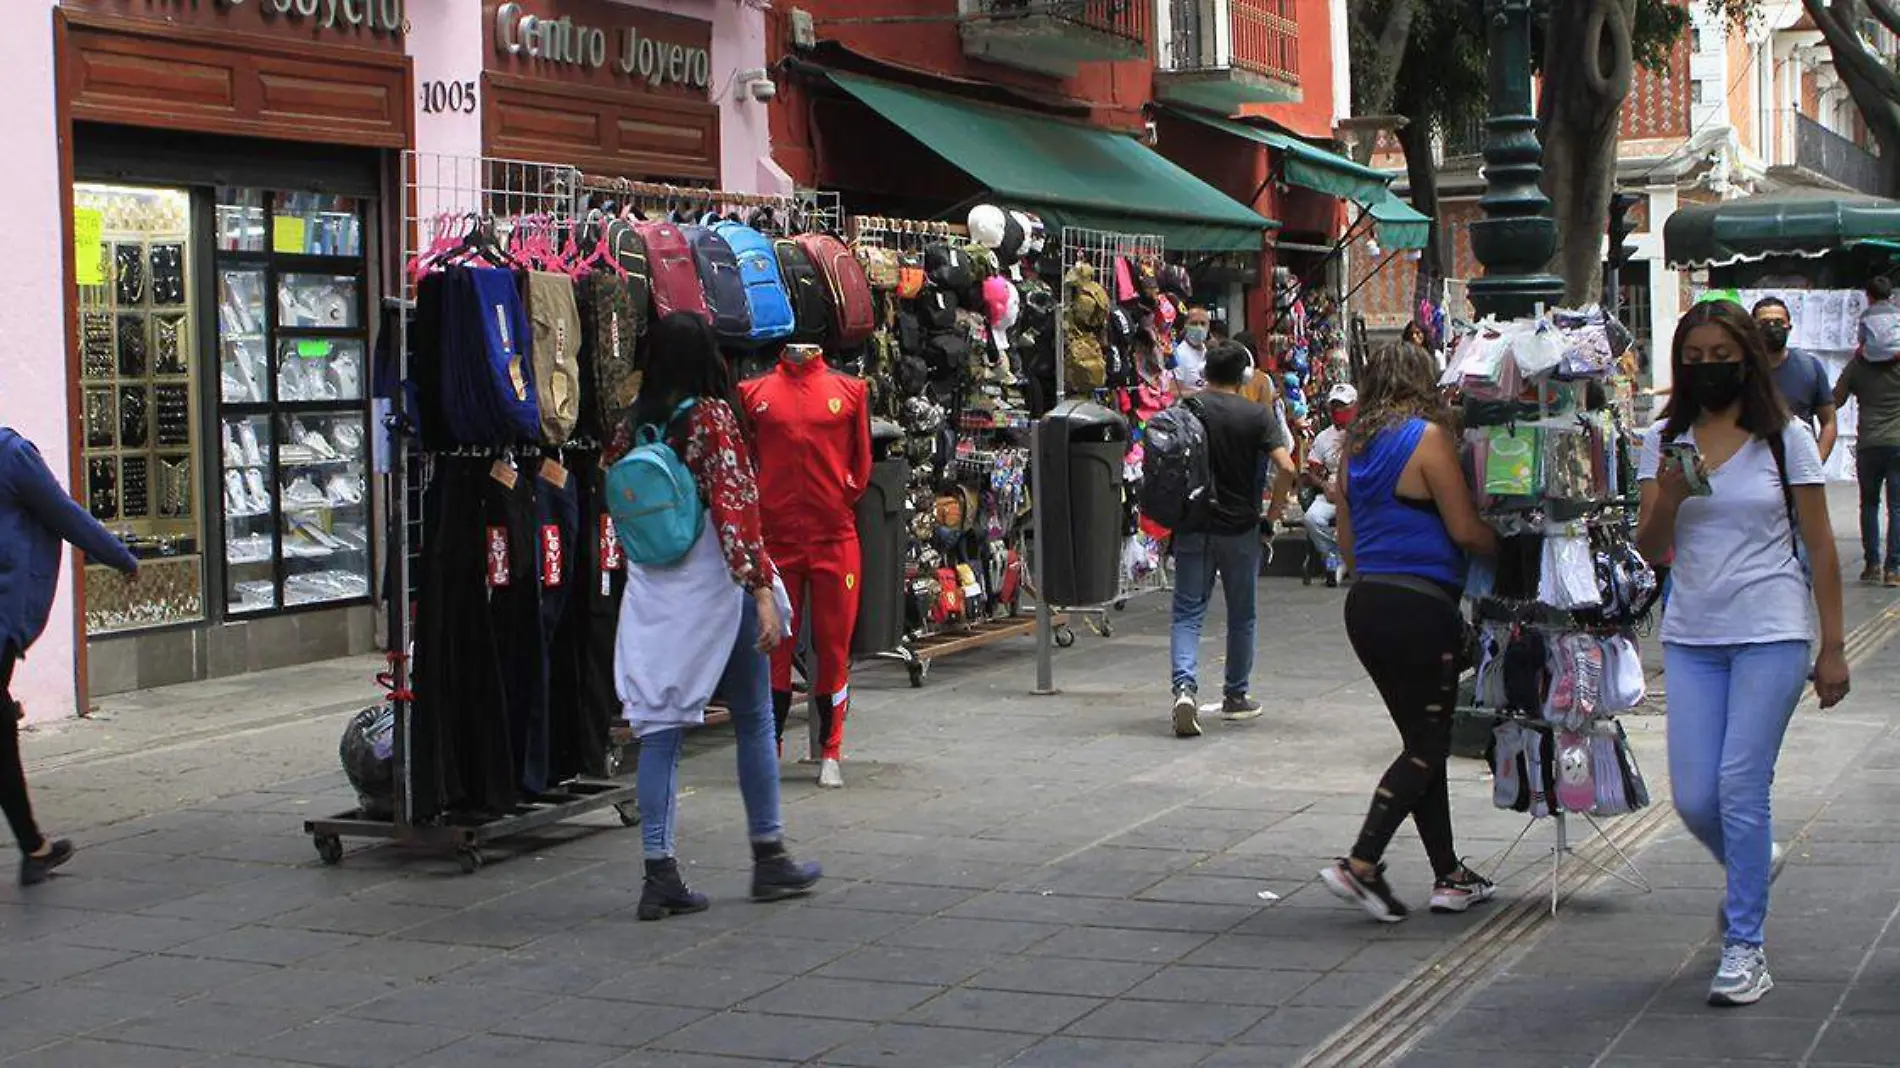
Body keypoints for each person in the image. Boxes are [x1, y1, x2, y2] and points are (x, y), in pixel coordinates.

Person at [1637, 299, 1848, 1007]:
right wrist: (1666, 497)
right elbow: (1647, 548)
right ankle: (1755, 863)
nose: (1706, 371)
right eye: (1693, 360)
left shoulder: (1782, 439)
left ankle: (1745, 947)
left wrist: (1834, 649)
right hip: (1693, 634)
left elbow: (1819, 546)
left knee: (1739, 785)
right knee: (1696, 797)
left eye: (1719, 359)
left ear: (1748, 361)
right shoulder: (1662, 441)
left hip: (1773, 628)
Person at [608, 314, 821, 921]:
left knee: (660, 730)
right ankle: (768, 855)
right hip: (714, 585)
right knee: (754, 717)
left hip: (654, 591)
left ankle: (660, 871)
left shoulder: (631, 421)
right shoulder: (710, 417)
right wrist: (759, 590)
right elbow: (735, 507)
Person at [1320, 342, 1497, 923]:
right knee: (1427, 745)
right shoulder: (1427, 438)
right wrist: (1517, 547)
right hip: (1421, 606)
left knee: (1424, 746)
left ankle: (1449, 874)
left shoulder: (1354, 449)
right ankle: (1362, 862)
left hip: (1368, 606)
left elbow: (1347, 544)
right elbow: (1467, 529)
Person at [0, 426, 137, 885]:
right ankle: (33, 847)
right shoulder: (12, 454)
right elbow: (62, 513)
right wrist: (120, 556)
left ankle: (33, 847)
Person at [1169, 340, 1295, 738]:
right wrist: (1272, 516)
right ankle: (1235, 696)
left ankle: (1184, 688)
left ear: (1205, 371)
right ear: (1244, 376)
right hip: (1240, 527)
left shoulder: (1186, 409)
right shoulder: (1257, 416)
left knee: (1188, 612)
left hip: (1193, 524)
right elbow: (1286, 467)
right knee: (1242, 614)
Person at [1834, 286, 1900, 585]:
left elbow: (1835, 399)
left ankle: (1871, 565)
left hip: (1868, 444)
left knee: (1869, 504)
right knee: (1897, 506)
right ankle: (1893, 569)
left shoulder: (1857, 366)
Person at [1752, 297, 1837, 461]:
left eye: (1778, 322)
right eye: (1764, 323)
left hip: (1798, 466)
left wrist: (1816, 463)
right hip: (1752, 468)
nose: (1772, 328)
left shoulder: (1809, 367)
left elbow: (1829, 421)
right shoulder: (1741, 370)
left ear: (1789, 327)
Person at [1302, 383, 1357, 586]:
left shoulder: (1365, 433)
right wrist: (1324, 484)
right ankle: (1335, 556)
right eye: (1335, 406)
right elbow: (1310, 473)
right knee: (1312, 518)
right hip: (1331, 491)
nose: (1339, 411)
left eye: (1343, 406)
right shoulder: (1323, 438)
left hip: (1357, 491)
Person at [1171, 307, 1212, 395]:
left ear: (1208, 327)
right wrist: (1202, 393)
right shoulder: (1177, 354)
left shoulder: (1210, 353)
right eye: (1194, 323)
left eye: (1203, 323)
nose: (1199, 328)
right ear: (1186, 326)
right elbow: (1174, 392)